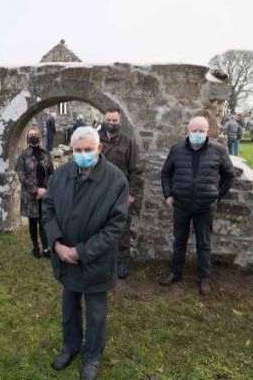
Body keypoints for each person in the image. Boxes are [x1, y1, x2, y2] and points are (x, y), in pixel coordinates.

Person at [43, 126, 128, 380]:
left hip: (95, 260)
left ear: (99, 148)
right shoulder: (62, 175)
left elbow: (115, 226)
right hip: (64, 256)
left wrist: (81, 252)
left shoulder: (115, 180)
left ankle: (92, 356)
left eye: (87, 150)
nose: (82, 154)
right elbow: (48, 209)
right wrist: (57, 244)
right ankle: (70, 346)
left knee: (96, 312)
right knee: (69, 307)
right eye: (77, 150)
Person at [159, 111, 235, 295]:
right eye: (194, 129)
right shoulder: (176, 149)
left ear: (207, 131)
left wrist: (216, 195)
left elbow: (229, 175)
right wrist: (168, 194)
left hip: (205, 207)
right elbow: (166, 173)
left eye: (201, 130)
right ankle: (175, 272)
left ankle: (204, 278)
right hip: (181, 204)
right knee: (179, 241)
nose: (197, 133)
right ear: (188, 130)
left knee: (204, 243)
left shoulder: (219, 151)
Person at [99, 108, 143, 279]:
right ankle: (103, 260)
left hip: (120, 194)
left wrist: (131, 194)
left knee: (122, 229)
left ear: (120, 122)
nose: (111, 123)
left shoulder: (128, 143)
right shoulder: (97, 140)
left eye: (114, 120)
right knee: (101, 227)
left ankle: (122, 262)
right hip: (100, 193)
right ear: (104, 120)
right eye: (108, 120)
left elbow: (136, 171)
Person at [15, 126, 55, 258]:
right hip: (30, 195)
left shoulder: (46, 153)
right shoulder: (23, 156)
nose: (33, 136)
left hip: (45, 194)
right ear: (27, 138)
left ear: (39, 136)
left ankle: (45, 248)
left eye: (35, 134)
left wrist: (45, 190)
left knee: (44, 222)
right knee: (33, 222)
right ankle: (35, 247)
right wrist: (36, 190)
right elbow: (22, 176)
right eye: (30, 134)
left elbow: (51, 173)